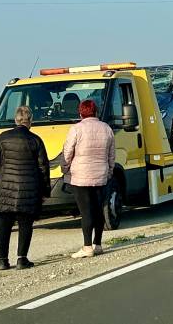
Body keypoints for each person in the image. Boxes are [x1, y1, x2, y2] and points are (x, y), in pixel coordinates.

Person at [0, 105, 50, 271]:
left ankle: (2, 260)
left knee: (4, 224)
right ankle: (22, 259)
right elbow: (43, 167)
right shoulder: (35, 140)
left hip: (5, 188)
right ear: (30, 121)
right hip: (28, 189)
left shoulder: (3, 137)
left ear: (15, 120)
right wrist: (46, 190)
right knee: (25, 224)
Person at [63, 99, 115, 258]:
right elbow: (111, 155)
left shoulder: (76, 129)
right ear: (96, 112)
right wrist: (109, 171)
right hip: (100, 175)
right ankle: (97, 244)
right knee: (98, 210)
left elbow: (67, 152)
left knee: (86, 212)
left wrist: (65, 169)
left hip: (80, 176)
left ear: (80, 113)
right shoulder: (106, 128)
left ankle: (87, 247)